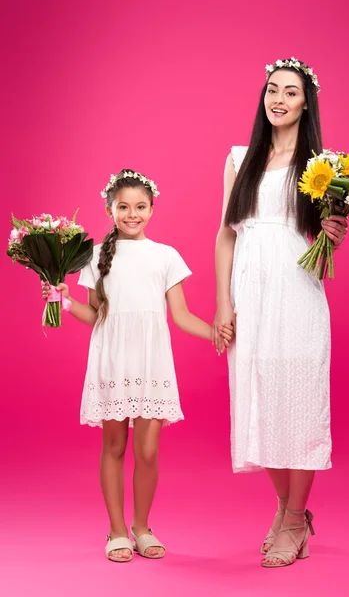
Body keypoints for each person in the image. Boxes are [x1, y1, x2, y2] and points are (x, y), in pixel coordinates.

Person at [42, 169, 233, 562]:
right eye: (123, 207)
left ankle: (142, 528)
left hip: (151, 360)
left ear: (152, 209)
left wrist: (215, 331)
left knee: (148, 451)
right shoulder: (93, 255)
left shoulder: (166, 255)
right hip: (113, 358)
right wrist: (61, 298)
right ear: (110, 208)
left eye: (140, 207)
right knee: (113, 446)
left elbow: (179, 315)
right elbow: (96, 314)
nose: (132, 214)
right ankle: (116, 531)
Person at [212, 58, 348, 568]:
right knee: (257, 402)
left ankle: (294, 520)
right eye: (273, 89)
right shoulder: (239, 157)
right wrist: (224, 301)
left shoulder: (321, 166)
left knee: (299, 402)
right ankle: (291, 512)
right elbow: (226, 232)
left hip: (297, 292)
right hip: (249, 292)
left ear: (305, 102)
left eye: (290, 92)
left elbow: (324, 236)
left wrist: (337, 233)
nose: (279, 99)